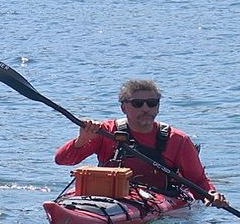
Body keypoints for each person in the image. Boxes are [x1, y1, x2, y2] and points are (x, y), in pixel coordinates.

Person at [54, 79, 228, 208]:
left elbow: (197, 180)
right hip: (109, 195)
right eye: (138, 103)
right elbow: (62, 160)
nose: (146, 108)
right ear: (124, 108)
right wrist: (82, 140)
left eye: (151, 103)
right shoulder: (105, 131)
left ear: (158, 107)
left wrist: (210, 194)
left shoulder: (177, 139)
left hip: (156, 197)